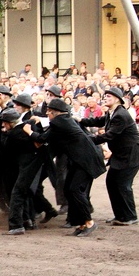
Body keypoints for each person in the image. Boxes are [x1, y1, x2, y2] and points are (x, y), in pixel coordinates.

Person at [28, 98, 105, 237]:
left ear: (53, 112)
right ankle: (81, 224)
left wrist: (28, 131)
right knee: (69, 189)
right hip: (82, 160)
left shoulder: (59, 121)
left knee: (74, 190)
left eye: (48, 112)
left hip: (86, 161)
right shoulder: (64, 120)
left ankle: (89, 222)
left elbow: (42, 138)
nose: (47, 115)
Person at [79, 87, 139, 226]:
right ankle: (120, 215)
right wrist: (81, 121)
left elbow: (110, 135)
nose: (105, 98)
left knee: (123, 185)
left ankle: (129, 216)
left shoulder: (121, 115)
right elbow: (99, 120)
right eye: (105, 96)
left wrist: (89, 139)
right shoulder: (112, 113)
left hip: (131, 155)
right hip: (122, 155)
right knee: (112, 182)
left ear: (117, 99)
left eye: (109, 96)